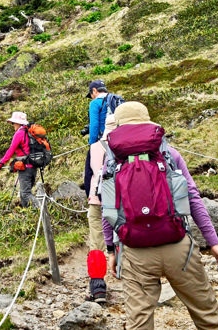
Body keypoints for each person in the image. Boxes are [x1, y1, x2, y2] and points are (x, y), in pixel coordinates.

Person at [105, 101, 218, 330]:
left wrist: (112, 250)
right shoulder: (169, 154)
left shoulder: (112, 160)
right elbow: (193, 198)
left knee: (139, 324)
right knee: (208, 317)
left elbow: (108, 210)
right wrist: (213, 242)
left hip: (135, 252)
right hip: (178, 247)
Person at [81, 80, 122, 303]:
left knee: (96, 229)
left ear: (94, 91)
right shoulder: (119, 102)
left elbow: (94, 128)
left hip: (101, 190)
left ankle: (98, 287)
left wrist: (91, 142)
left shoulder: (95, 103)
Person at [0, 111, 38, 208]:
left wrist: (1, 163)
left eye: (13, 123)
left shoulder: (19, 134)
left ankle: (41, 208)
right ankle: (28, 214)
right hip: (34, 167)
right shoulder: (31, 132)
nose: (12, 125)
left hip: (25, 168)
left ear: (19, 123)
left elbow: (11, 150)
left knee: (25, 194)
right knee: (24, 194)